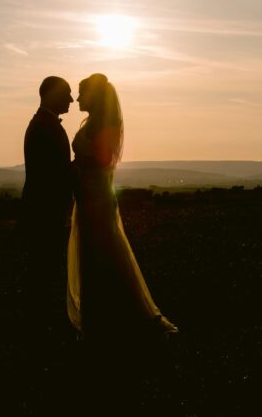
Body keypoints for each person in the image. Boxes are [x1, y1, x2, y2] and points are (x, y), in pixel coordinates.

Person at [66, 73, 178, 341]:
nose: (78, 98)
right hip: (88, 198)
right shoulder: (92, 123)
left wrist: (77, 167)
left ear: (94, 96)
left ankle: (114, 319)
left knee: (103, 254)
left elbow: (102, 161)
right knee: (93, 256)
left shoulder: (104, 126)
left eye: (82, 92)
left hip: (97, 200)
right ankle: (102, 318)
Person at [20, 76, 76, 333]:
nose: (71, 100)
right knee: (44, 266)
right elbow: (55, 175)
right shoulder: (45, 127)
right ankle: (41, 324)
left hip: (40, 209)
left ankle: (40, 320)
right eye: (66, 94)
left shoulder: (43, 124)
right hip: (44, 211)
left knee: (44, 266)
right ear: (52, 94)